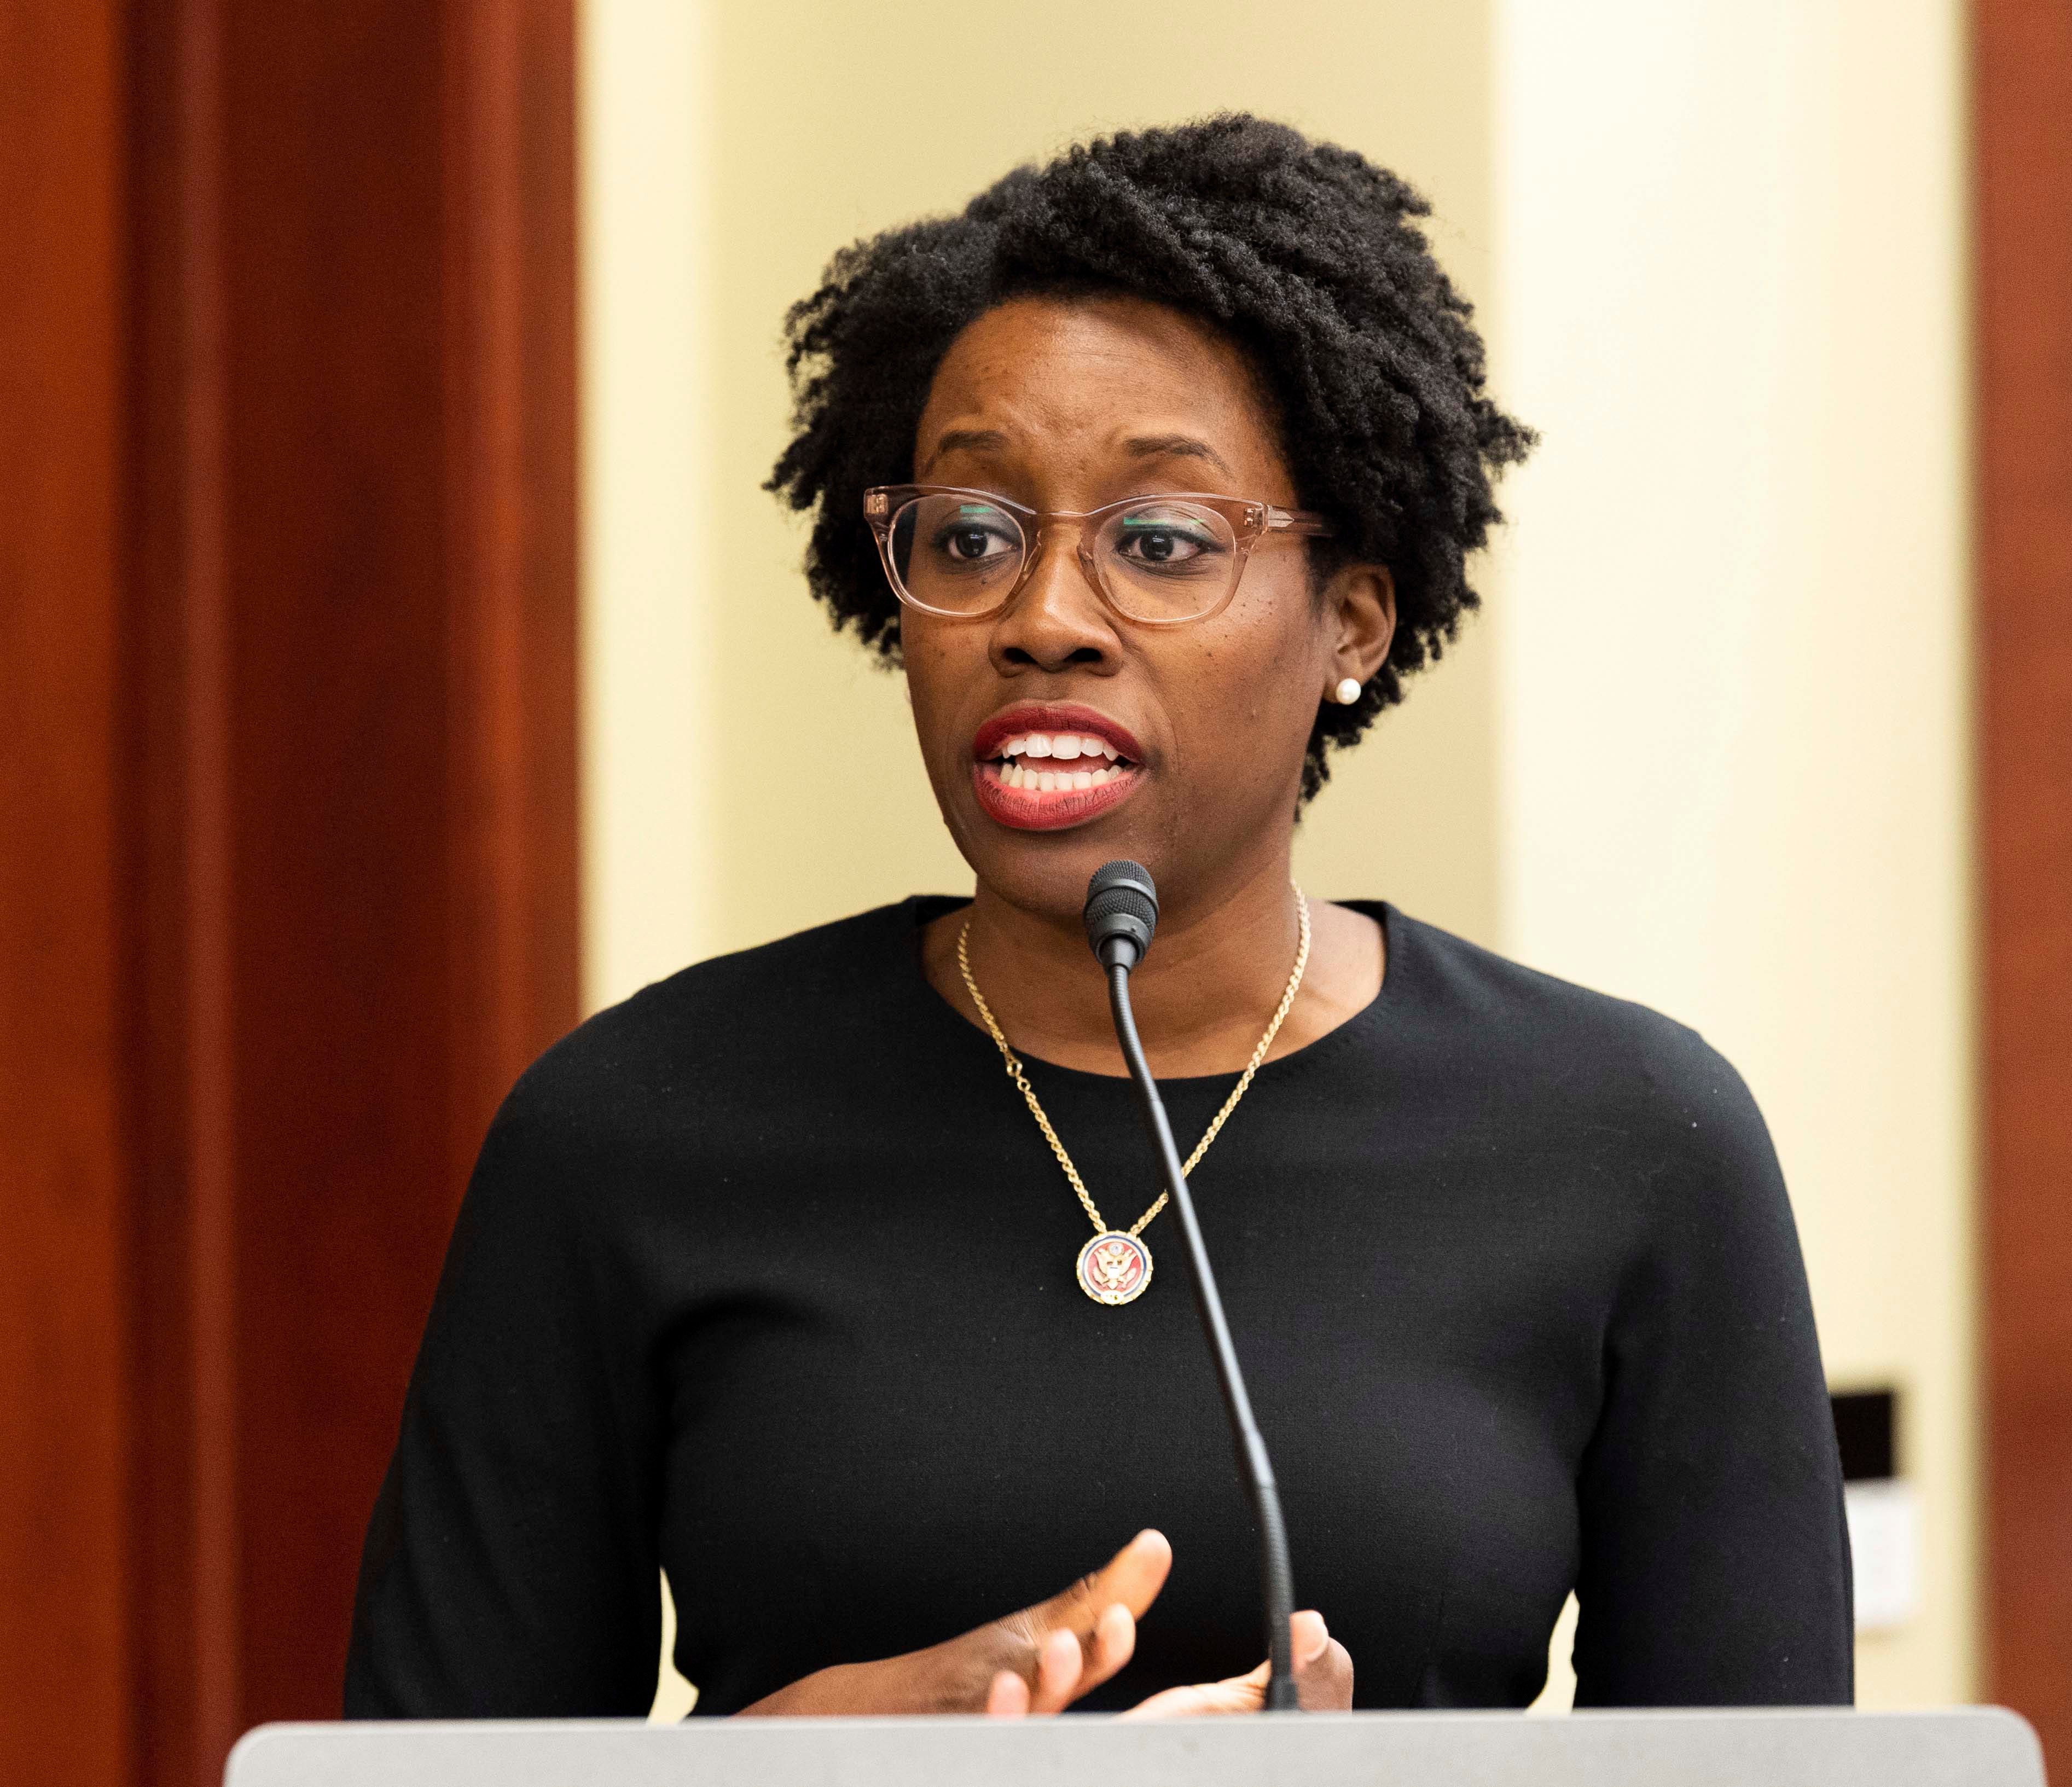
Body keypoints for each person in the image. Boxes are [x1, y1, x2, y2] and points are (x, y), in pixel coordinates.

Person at [345, 114, 1852, 1721]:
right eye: (971, 537)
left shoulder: (1629, 1140)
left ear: (1351, 616)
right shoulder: (629, 1132)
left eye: (1159, 541)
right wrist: (810, 1759)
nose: (1042, 618)